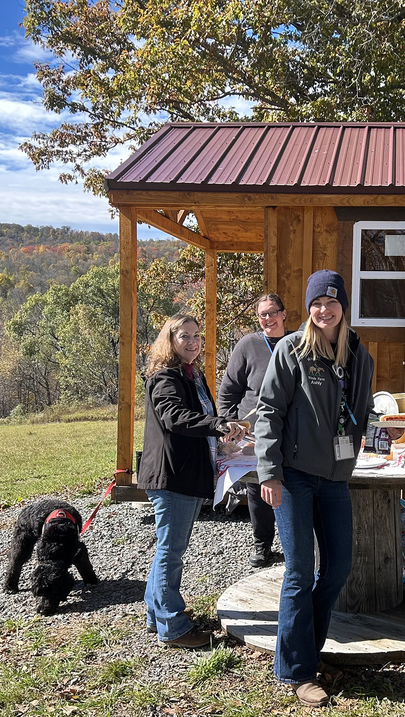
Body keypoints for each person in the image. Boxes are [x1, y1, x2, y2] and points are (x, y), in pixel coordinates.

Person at [254, 270, 374, 708]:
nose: (324, 310)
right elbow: (267, 411)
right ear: (307, 310)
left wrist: (372, 436)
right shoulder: (291, 350)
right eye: (316, 304)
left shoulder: (359, 354)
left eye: (332, 302)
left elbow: (362, 410)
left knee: (338, 568)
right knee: (300, 571)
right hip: (295, 474)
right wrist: (269, 472)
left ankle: (310, 649)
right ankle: (297, 671)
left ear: (344, 306)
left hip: (336, 477)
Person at [137, 313, 247, 648]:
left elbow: (199, 423)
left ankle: (157, 615)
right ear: (168, 340)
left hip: (183, 473)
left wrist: (223, 436)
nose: (193, 341)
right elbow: (175, 418)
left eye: (197, 335)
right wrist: (217, 425)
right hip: (173, 476)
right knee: (171, 552)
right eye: (184, 335)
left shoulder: (191, 375)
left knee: (167, 550)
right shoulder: (166, 377)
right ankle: (174, 628)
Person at [218, 293, 290, 567]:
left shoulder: (297, 342)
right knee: (259, 487)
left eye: (273, 312)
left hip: (291, 431)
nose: (268, 319)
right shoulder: (248, 344)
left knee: (293, 486)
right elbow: (228, 391)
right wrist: (228, 425)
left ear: (284, 313)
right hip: (254, 432)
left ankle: (295, 543)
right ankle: (262, 545)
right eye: (263, 315)